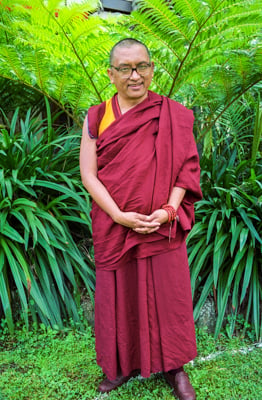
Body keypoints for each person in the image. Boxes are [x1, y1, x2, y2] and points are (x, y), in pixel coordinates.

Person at [80, 38, 202, 400]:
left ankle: (175, 367)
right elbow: (89, 174)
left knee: (168, 295)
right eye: (126, 69)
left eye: (143, 66)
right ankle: (120, 365)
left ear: (151, 68)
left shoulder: (173, 115)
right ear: (111, 73)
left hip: (161, 225)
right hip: (115, 224)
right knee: (118, 293)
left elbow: (187, 168)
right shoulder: (97, 116)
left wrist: (168, 211)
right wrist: (119, 216)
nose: (136, 76)